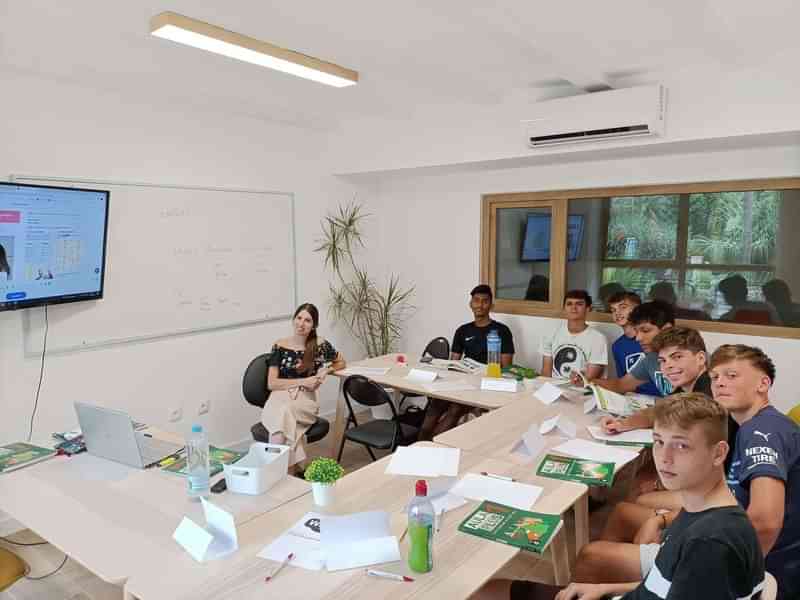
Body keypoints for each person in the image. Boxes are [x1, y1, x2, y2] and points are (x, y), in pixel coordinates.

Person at [474, 393, 765, 600]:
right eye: (659, 442)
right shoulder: (700, 510)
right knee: (489, 590)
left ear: (719, 453)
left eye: (681, 447)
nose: (663, 458)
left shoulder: (710, 542)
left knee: (484, 593)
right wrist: (604, 589)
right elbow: (665, 585)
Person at [710, 344, 800, 600]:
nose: (719, 383)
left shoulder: (762, 432)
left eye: (731, 375)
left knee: (596, 556)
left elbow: (765, 521)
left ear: (763, 384)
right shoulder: (760, 424)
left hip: (776, 573)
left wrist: (729, 577)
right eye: (714, 377)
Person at [419, 284, 514, 439]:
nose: (480, 305)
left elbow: (507, 367)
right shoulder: (463, 330)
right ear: (471, 304)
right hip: (461, 382)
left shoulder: (501, 331)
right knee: (435, 405)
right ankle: (419, 447)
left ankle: (433, 445)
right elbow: (453, 363)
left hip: (484, 385)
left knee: (455, 409)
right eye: (476, 300)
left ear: (491, 305)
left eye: (485, 301)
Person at [263, 303, 345, 467]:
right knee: (284, 416)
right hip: (279, 396)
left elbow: (341, 362)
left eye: (307, 320)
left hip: (305, 400)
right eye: (299, 318)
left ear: (314, 325)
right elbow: (272, 383)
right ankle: (288, 472)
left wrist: (326, 370)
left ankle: (273, 470)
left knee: (283, 417)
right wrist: (304, 381)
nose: (301, 323)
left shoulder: (320, 345)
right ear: (293, 320)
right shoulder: (279, 346)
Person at [580, 300, 675, 400]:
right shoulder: (651, 359)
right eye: (637, 331)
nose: (638, 338)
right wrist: (587, 381)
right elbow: (620, 385)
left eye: (645, 330)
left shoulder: (688, 357)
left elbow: (685, 404)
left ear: (667, 330)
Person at [541, 290, 607, 381]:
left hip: (581, 390)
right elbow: (545, 373)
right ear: (564, 308)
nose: (573, 308)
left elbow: (589, 378)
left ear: (588, 308)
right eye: (569, 304)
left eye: (579, 304)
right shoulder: (551, 333)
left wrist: (577, 381)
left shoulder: (598, 338)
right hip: (553, 388)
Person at [608, 291, 659, 396]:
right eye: (613, 310)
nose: (617, 313)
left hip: (661, 398)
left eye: (623, 307)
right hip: (635, 399)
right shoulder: (617, 346)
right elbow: (622, 383)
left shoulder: (652, 338)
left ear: (637, 308)